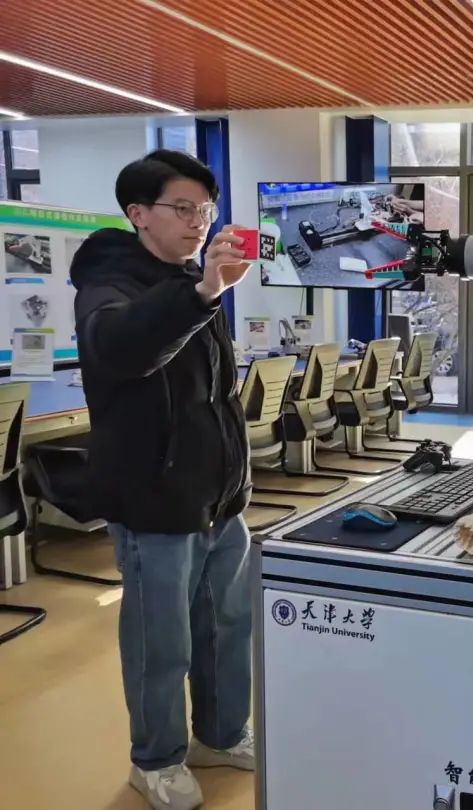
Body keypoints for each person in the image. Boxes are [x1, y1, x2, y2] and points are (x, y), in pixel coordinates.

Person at [70, 150, 254, 810]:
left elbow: (211, 395)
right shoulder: (108, 283)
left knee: (227, 627)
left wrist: (203, 289)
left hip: (219, 497)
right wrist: (202, 293)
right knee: (161, 642)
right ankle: (155, 759)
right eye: (182, 208)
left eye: (205, 209)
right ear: (138, 213)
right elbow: (124, 349)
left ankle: (221, 734)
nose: (198, 221)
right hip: (154, 501)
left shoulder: (189, 279)